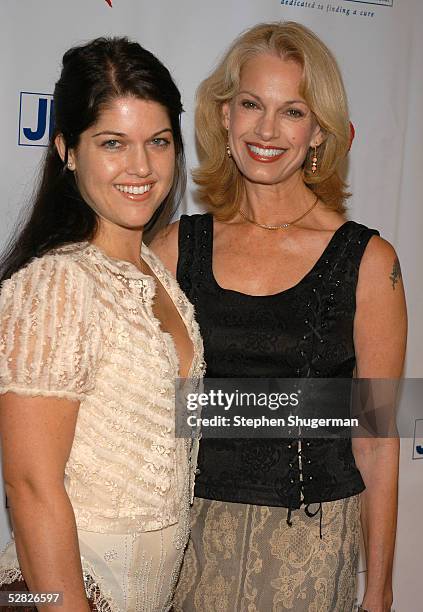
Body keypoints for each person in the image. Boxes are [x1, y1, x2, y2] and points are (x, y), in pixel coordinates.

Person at [151, 21, 407, 612]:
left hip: (311, 546)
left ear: (319, 131)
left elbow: (378, 438)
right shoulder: (171, 249)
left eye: (292, 111)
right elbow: (146, 408)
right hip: (183, 539)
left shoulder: (368, 262)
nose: (267, 130)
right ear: (224, 116)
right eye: (251, 105)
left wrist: (381, 593)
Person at [0, 37, 204, 612]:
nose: (141, 167)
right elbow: (32, 488)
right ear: (67, 150)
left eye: (158, 142)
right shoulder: (55, 286)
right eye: (112, 143)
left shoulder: (156, 277)